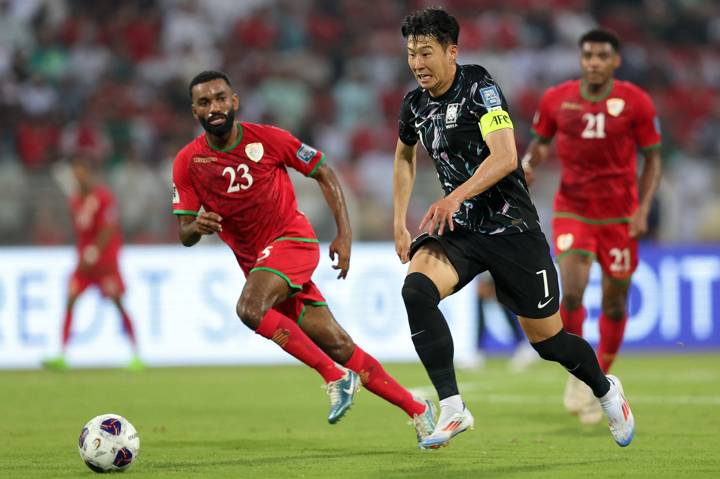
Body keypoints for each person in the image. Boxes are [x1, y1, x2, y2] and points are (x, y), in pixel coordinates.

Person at [394, 7, 634, 449]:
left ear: (452, 52)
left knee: (550, 341)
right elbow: (405, 156)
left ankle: (605, 389)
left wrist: (454, 196)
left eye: (425, 53)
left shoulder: (479, 87)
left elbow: (505, 157)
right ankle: (452, 407)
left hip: (512, 228)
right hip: (462, 230)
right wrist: (399, 221)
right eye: (411, 54)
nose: (417, 63)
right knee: (416, 291)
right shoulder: (414, 105)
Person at [172, 70, 435, 446]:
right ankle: (417, 408)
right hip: (263, 266)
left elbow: (324, 171)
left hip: (291, 242)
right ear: (194, 111)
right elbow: (184, 233)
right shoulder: (188, 162)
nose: (213, 107)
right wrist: (197, 225)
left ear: (235, 101)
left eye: (219, 98)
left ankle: (333, 377)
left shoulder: (269, 138)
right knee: (340, 345)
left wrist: (345, 234)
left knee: (249, 308)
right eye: (204, 102)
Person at [522, 28, 662, 425]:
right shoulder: (556, 99)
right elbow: (540, 143)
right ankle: (583, 377)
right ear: (581, 60)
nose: (594, 62)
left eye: (602, 56)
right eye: (588, 56)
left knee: (616, 301)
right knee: (574, 291)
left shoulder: (635, 102)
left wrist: (643, 208)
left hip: (620, 216)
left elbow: (652, 158)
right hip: (575, 210)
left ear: (615, 61)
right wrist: (530, 166)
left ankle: (602, 370)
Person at [43, 155, 144, 371]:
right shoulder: (75, 200)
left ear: (88, 173)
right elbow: (81, 231)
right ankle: (61, 354)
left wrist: (95, 250)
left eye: (80, 171)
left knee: (117, 302)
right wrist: (84, 254)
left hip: (106, 263)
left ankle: (136, 353)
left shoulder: (103, 197)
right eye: (74, 172)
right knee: (70, 298)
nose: (77, 176)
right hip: (85, 266)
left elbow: (110, 227)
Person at [459, 273, 540, 372]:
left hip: (493, 265)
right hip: (482, 265)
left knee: (503, 300)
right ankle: (477, 350)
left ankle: (523, 345)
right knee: (483, 302)